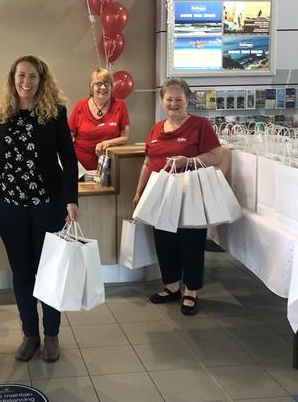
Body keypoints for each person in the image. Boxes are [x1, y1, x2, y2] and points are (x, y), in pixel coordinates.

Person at [0, 55, 79, 363]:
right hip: (9, 205)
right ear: (13, 79)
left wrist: (71, 199)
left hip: (47, 205)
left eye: (33, 76)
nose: (26, 82)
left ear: (42, 80)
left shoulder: (55, 113)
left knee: (48, 272)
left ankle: (51, 334)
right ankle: (30, 334)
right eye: (21, 76)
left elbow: (68, 160)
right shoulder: (3, 114)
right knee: (22, 273)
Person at [133, 78, 221, 316]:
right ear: (162, 101)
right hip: (160, 194)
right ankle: (171, 286)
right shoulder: (156, 128)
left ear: (187, 101)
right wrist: (139, 191)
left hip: (189, 194)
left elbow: (216, 156)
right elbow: (147, 162)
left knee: (191, 242)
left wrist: (189, 161)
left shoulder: (200, 125)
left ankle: (191, 291)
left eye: (178, 100)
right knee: (164, 241)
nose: (173, 104)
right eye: (169, 99)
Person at [68, 68, 130, 170]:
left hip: (109, 167)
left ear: (112, 87)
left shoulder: (120, 105)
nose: (103, 87)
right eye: (98, 84)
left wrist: (108, 143)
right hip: (80, 167)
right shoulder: (80, 106)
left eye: (107, 83)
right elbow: (69, 135)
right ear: (91, 88)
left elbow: (125, 137)